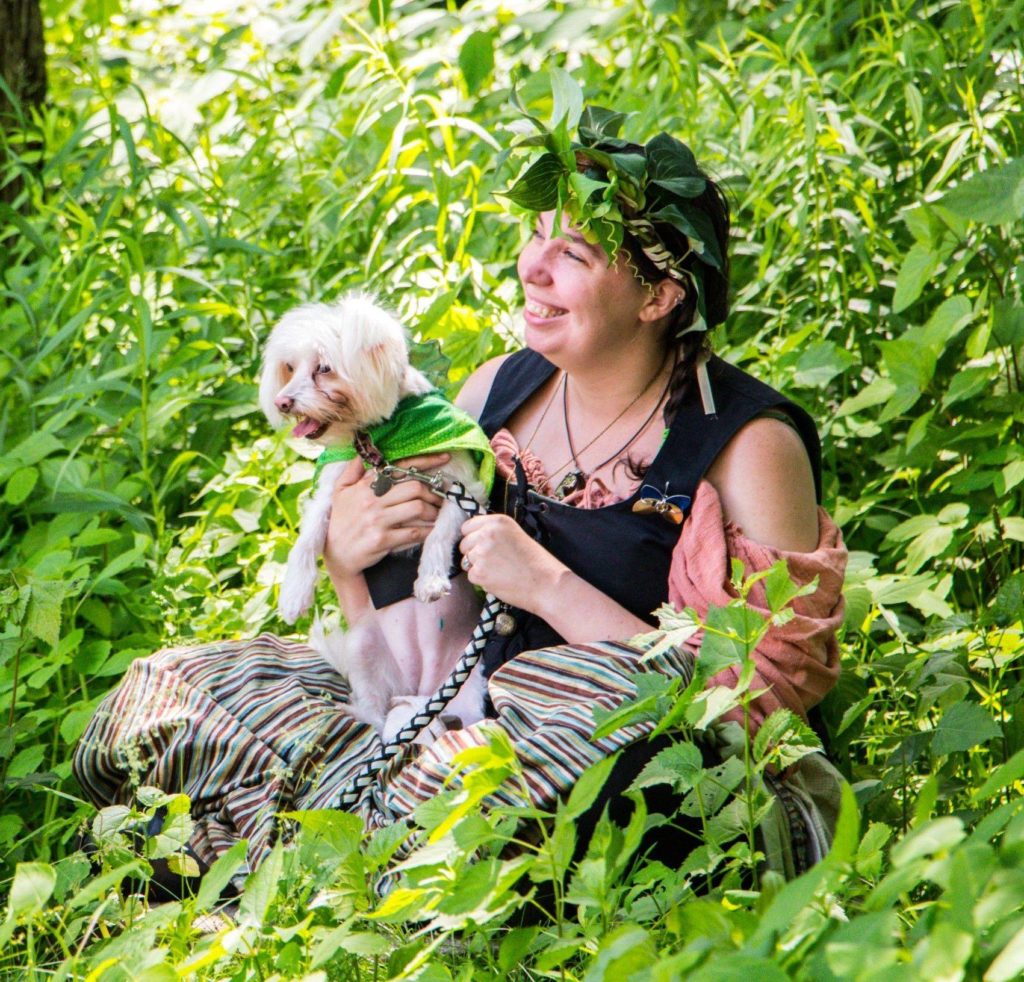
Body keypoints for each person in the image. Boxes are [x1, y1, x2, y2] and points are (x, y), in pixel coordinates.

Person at [74, 116, 847, 886]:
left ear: (659, 297)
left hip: (623, 750)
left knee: (536, 784)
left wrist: (546, 584)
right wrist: (347, 557)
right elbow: (408, 625)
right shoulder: (498, 391)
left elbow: (755, 705)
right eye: (534, 235)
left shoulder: (746, 446)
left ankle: (313, 857)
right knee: (179, 693)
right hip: (455, 705)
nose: (532, 269)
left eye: (571, 254)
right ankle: (305, 849)